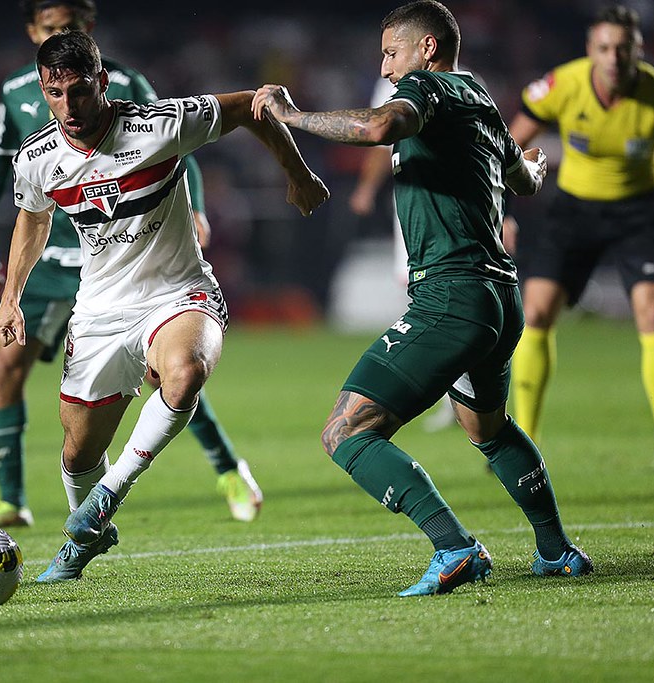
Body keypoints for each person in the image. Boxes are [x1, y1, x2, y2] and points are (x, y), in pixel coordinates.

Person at [252, 0, 592, 596]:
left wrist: (291, 115)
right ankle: (556, 550)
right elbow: (524, 178)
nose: (384, 69)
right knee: (487, 429)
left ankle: (454, 545)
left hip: (450, 298)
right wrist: (533, 165)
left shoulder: (426, 89)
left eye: (390, 53)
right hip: (497, 298)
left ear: (426, 49)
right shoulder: (481, 100)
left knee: (345, 434)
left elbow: (382, 126)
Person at [0, 29, 327, 582]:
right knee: (76, 455)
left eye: (78, 91)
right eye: (54, 93)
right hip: (99, 312)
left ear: (101, 82)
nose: (68, 107)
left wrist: (297, 172)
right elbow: (32, 218)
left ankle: (107, 498)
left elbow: (252, 105)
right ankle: (89, 531)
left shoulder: (158, 125)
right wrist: (11, 299)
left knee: (184, 372)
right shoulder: (38, 159)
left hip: (178, 293)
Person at [0, 0, 264, 530]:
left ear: (90, 33)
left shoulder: (126, 84)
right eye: (53, 29)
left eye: (73, 26)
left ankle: (227, 470)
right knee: (6, 368)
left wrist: (193, 207)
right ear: (34, 32)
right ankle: (13, 499)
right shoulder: (17, 91)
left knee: (164, 373)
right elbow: (0, 159)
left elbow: (175, 143)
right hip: (54, 258)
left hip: (127, 254)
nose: (64, 34)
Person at [504, 5, 654, 468]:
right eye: (604, 48)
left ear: (638, 51)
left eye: (622, 49)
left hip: (637, 212)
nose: (613, 58)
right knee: (535, 311)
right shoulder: (563, 86)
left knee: (652, 313)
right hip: (573, 210)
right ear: (590, 51)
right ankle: (527, 443)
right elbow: (509, 147)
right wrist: (504, 212)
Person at [349, 75, 457, 433]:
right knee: (432, 298)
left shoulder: (403, 90)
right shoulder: (472, 82)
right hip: (424, 212)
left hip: (432, 215)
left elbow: (379, 137)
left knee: (431, 300)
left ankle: (452, 396)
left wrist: (366, 187)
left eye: (392, 53)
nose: (385, 66)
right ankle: (459, 398)